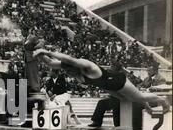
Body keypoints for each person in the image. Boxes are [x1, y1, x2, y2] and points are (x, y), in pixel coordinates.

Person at [33, 48, 171, 113]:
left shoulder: (86, 66)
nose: (69, 73)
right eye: (67, 71)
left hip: (117, 81)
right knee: (132, 100)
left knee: (139, 96)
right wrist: (38, 54)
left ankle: (164, 100)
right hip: (108, 86)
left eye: (70, 70)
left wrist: (47, 51)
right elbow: (51, 63)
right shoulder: (71, 69)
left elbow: (67, 59)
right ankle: (147, 108)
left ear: (75, 66)